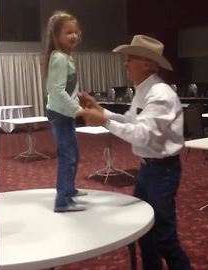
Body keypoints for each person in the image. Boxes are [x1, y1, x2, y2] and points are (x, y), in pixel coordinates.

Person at [78, 35, 191, 269]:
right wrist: (102, 111)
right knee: (146, 233)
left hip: (162, 172)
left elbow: (141, 134)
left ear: (147, 63)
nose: (125, 64)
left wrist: (103, 122)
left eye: (130, 59)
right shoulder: (144, 90)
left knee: (164, 237)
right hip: (149, 169)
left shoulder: (160, 94)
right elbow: (131, 120)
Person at [42, 11, 87, 213]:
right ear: (56, 35)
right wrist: (76, 109)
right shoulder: (59, 58)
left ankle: (69, 189)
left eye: (76, 32)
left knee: (73, 154)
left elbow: (67, 89)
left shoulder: (66, 57)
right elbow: (56, 90)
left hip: (64, 113)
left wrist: (78, 99)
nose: (74, 36)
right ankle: (62, 201)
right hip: (60, 114)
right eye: (69, 32)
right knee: (67, 157)